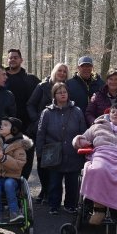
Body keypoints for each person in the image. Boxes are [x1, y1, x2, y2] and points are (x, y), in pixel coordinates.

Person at [36, 82, 87, 214]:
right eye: (60, 92)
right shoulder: (47, 112)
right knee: (54, 182)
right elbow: (41, 133)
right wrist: (40, 152)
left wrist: (83, 150)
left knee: (72, 183)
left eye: (65, 91)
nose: (63, 94)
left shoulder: (77, 111)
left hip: (73, 153)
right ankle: (54, 205)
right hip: (53, 153)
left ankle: (71, 205)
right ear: (54, 95)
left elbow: (83, 132)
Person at [27, 63, 70, 206]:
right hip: (42, 130)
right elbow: (31, 104)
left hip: (60, 131)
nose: (62, 73)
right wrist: (37, 120)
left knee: (56, 162)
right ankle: (44, 189)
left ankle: (51, 192)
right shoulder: (43, 86)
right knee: (42, 162)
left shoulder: (67, 88)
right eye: (60, 70)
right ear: (54, 71)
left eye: (65, 71)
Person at [0, 117, 32, 223]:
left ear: (14, 129)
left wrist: (4, 158)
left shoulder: (19, 144)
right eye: (1, 124)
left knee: (9, 184)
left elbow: (19, 164)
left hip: (12, 177)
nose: (1, 127)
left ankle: (14, 212)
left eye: (5, 125)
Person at [4, 49, 41, 181]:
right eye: (10, 58)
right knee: (7, 158)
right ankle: (7, 191)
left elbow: (43, 96)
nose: (12, 60)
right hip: (5, 128)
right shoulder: (1, 78)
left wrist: (36, 121)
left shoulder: (30, 79)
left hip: (27, 127)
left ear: (21, 60)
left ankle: (22, 189)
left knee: (26, 159)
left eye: (15, 57)